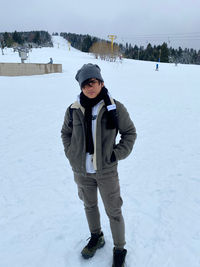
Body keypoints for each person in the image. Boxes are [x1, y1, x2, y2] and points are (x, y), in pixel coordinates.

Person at [61, 63, 137, 267]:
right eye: (85, 84)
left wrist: (116, 154)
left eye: (92, 82)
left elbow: (130, 133)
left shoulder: (115, 107)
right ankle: (97, 237)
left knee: (114, 211)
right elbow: (65, 133)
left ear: (101, 82)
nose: (89, 87)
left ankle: (120, 249)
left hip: (106, 171)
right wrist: (71, 154)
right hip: (82, 171)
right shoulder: (73, 109)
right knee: (89, 205)